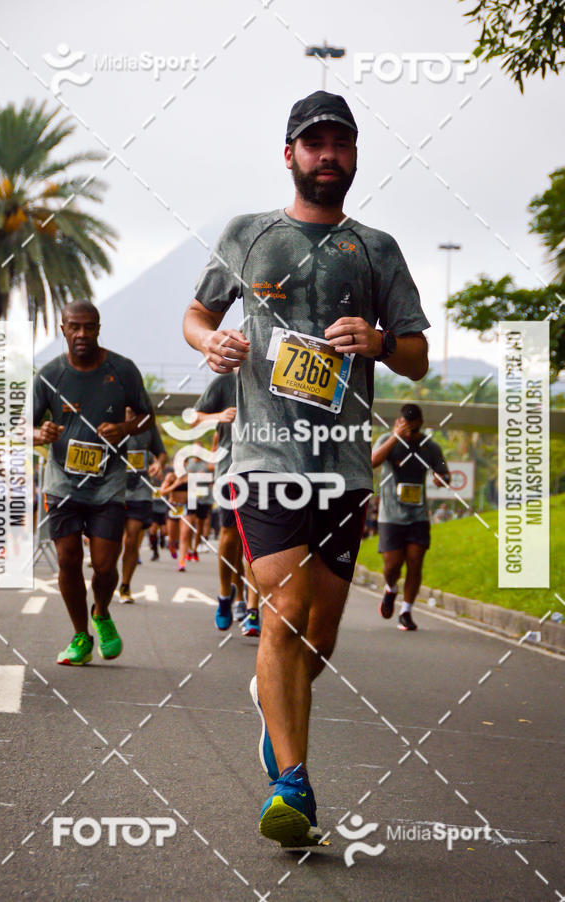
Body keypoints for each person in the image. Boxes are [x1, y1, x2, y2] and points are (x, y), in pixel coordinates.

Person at [183, 90, 430, 847]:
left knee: (318, 635)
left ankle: (272, 696)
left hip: (344, 469)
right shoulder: (248, 235)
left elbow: (418, 358)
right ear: (289, 155)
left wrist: (380, 342)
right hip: (265, 457)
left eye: (340, 144)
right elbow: (197, 315)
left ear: (354, 157)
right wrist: (210, 343)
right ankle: (291, 786)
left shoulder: (377, 250)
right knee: (285, 610)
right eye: (314, 144)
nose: (328, 156)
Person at [33, 300, 154, 665]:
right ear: (63, 329)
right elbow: (25, 426)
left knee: (103, 565)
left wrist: (125, 428)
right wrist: (39, 433)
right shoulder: (49, 374)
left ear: (99, 328)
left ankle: (101, 611)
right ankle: (80, 636)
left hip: (107, 482)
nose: (82, 334)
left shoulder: (122, 369)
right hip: (62, 481)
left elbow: (148, 417)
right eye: (75, 327)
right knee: (68, 560)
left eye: (89, 327)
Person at [372, 403, 450, 631]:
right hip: (391, 515)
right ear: (398, 422)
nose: (409, 434)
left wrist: (441, 479)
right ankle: (390, 588)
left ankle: (406, 611)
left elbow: (444, 473)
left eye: (413, 430)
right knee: (392, 566)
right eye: (405, 428)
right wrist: (395, 437)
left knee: (415, 563)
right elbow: (373, 461)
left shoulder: (430, 447)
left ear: (421, 425)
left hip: (418, 515)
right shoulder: (387, 440)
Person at [194, 373, 261, 635]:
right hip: (230, 471)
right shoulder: (224, 382)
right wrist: (218, 416)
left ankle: (252, 610)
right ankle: (226, 595)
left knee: (255, 543)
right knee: (230, 537)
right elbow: (194, 418)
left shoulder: (275, 377)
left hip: (265, 470)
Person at [119, 408, 167, 602]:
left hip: (140, 490)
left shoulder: (147, 425)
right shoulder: (110, 419)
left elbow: (162, 453)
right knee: (111, 541)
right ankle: (106, 580)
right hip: (114, 488)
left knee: (132, 538)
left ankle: (125, 585)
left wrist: (158, 463)